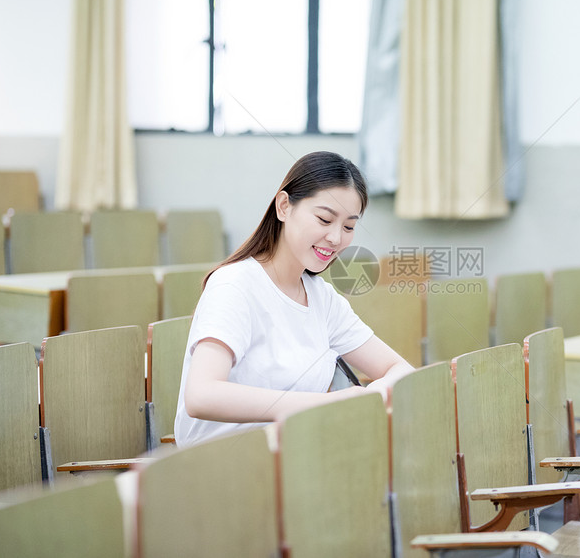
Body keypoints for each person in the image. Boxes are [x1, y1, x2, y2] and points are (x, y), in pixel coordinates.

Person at [174, 151, 413, 447]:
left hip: (293, 459)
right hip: (225, 468)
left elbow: (401, 371)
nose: (337, 238)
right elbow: (202, 395)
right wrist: (324, 404)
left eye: (349, 226)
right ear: (284, 206)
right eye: (325, 219)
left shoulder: (322, 298)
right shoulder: (234, 285)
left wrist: (364, 397)